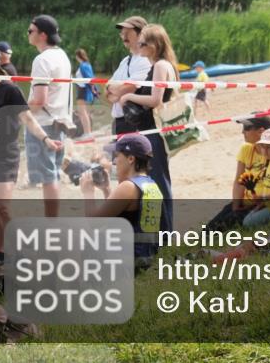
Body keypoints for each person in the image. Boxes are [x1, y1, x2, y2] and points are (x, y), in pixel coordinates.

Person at [0, 48, 62, 269]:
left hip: (5, 153)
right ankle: (1, 253)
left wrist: (46, 139)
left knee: (2, 206)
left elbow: (28, 118)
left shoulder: (9, 90)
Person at [116, 23, 178, 233]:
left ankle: (165, 234)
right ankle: (162, 233)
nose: (139, 46)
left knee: (158, 182)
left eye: (142, 43)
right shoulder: (161, 65)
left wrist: (128, 96)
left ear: (154, 45)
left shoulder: (161, 66)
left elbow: (155, 99)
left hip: (154, 131)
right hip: (152, 131)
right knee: (158, 180)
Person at [82, 133, 163, 266]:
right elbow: (118, 217)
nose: (114, 161)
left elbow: (94, 223)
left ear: (130, 159)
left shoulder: (128, 187)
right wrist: (106, 189)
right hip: (145, 257)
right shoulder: (151, 184)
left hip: (128, 260)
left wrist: (88, 193)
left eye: (117, 156)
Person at [207, 116, 270, 232]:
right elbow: (239, 181)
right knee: (212, 226)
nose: (242, 131)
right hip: (247, 201)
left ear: (261, 131)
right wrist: (236, 206)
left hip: (267, 203)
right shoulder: (246, 149)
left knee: (240, 223)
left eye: (247, 128)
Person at [26, 15, 74, 217]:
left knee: (48, 176)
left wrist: (19, 109)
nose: (28, 34)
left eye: (30, 31)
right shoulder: (61, 55)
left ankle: (51, 221)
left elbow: (39, 100)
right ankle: (52, 219)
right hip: (60, 120)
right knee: (52, 173)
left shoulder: (42, 59)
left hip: (44, 123)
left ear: (42, 35)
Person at [106, 16, 152, 133]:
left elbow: (126, 89)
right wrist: (114, 91)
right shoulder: (125, 60)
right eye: (122, 33)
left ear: (141, 34)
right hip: (119, 121)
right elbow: (106, 89)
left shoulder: (145, 61)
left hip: (133, 122)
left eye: (127, 33)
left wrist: (116, 92)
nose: (124, 37)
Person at [72, 48, 97, 138]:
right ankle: (87, 132)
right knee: (83, 112)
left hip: (82, 90)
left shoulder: (83, 65)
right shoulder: (86, 64)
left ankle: (87, 133)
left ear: (78, 56)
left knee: (82, 112)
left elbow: (90, 78)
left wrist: (94, 90)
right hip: (81, 90)